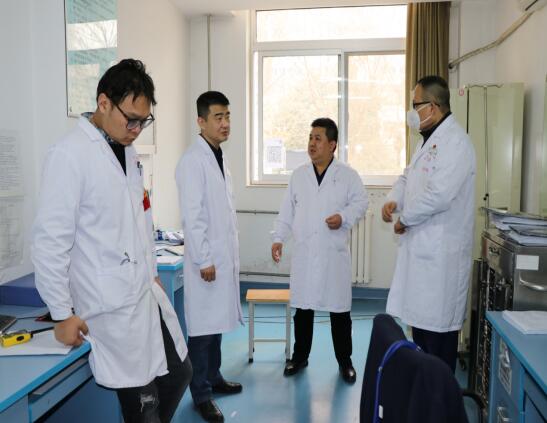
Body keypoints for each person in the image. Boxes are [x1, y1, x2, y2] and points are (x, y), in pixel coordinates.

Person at [31, 59, 192, 423]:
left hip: (141, 293)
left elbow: (140, 219)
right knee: (144, 406)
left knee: (179, 374)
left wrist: (151, 271)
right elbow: (50, 241)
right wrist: (61, 313)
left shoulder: (127, 153)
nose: (136, 130)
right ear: (103, 102)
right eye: (131, 119)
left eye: (143, 121)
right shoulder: (69, 155)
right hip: (106, 306)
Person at [381, 75, 476, 373]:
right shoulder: (427, 140)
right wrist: (393, 199)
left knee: (437, 346)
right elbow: (408, 176)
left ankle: (438, 398)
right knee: (421, 338)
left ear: (432, 107)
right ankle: (423, 394)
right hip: (424, 260)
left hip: (440, 263)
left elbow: (439, 195)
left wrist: (405, 219)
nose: (412, 111)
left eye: (415, 105)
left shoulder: (456, 143)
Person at [271, 118, 368, 384]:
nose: (312, 144)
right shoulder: (299, 175)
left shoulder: (347, 175)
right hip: (305, 253)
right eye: (310, 138)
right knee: (303, 309)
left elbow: (361, 202)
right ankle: (300, 356)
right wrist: (278, 238)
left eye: (318, 139)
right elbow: (287, 211)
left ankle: (345, 361)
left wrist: (343, 217)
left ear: (332, 144)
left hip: (332, 253)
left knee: (339, 312)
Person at [175, 91, 243, 422]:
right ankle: (201, 394)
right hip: (206, 261)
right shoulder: (192, 161)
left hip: (220, 256)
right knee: (202, 332)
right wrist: (204, 259)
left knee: (216, 326)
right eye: (218, 117)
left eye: (227, 116)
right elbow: (193, 215)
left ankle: (214, 378)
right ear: (201, 121)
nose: (225, 123)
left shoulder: (218, 156)